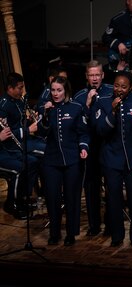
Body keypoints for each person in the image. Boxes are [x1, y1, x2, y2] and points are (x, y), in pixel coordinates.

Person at [94, 70, 132, 247]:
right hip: (111, 160)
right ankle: (117, 235)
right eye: (116, 85)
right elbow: (100, 130)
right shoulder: (103, 102)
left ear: (130, 87)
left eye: (123, 86)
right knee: (114, 200)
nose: (119, 89)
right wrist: (112, 111)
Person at [39, 76, 89, 246]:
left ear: (65, 91)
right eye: (53, 90)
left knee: (71, 197)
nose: (55, 93)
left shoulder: (76, 107)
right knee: (52, 197)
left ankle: (70, 233)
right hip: (51, 160)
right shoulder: (46, 108)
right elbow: (42, 132)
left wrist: (83, 147)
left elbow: (83, 132)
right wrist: (45, 115)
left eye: (59, 90)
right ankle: (54, 233)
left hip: (72, 159)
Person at [74, 60, 113, 237]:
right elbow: (79, 125)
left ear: (103, 75)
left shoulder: (112, 91)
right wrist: (88, 105)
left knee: (111, 187)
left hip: (108, 146)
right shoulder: (80, 96)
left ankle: (111, 224)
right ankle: (94, 225)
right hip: (90, 147)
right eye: (91, 75)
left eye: (97, 74)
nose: (95, 78)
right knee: (91, 187)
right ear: (86, 77)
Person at [0, 72, 45, 218]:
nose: (22, 91)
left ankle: (24, 197)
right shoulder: (4, 106)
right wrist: (27, 130)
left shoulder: (18, 101)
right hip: (6, 148)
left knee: (33, 160)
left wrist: (32, 119)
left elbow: (19, 121)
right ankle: (12, 203)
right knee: (20, 168)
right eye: (19, 88)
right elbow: (7, 135)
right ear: (10, 88)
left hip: (16, 144)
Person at [0, 119, 39, 220]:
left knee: (31, 162)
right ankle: (13, 204)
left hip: (5, 151)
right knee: (19, 169)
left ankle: (22, 199)